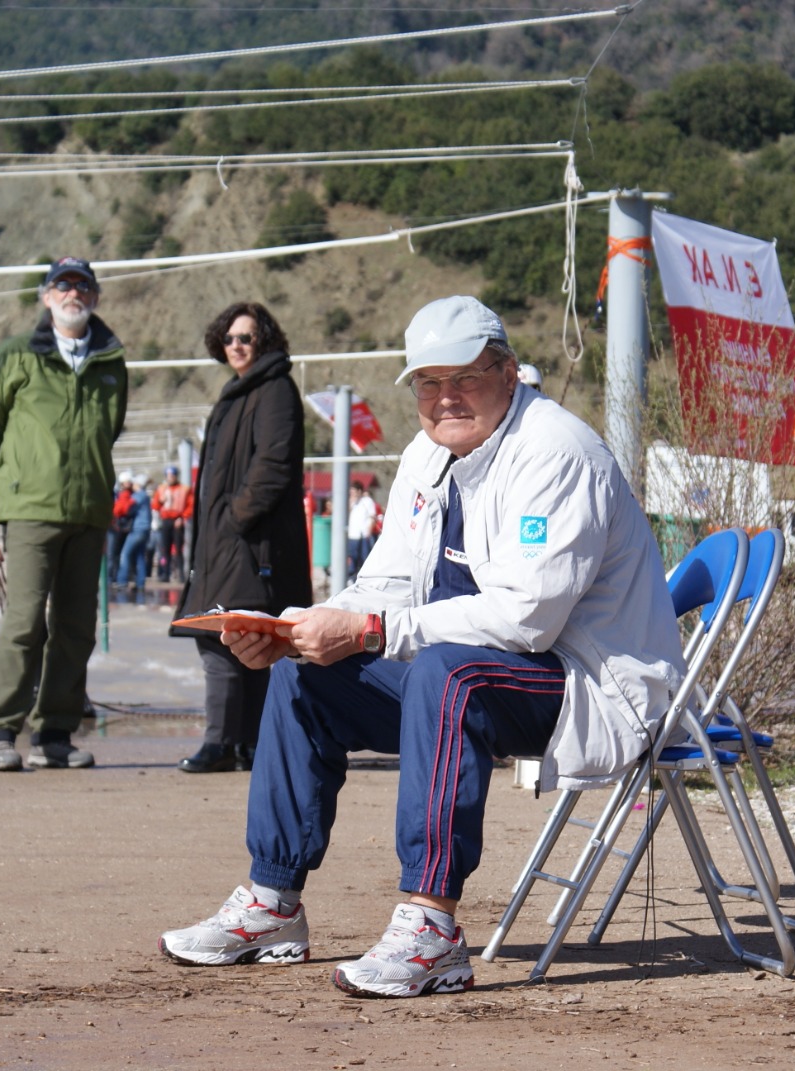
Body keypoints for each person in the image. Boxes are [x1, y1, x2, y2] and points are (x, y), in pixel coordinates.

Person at [158, 295, 684, 998]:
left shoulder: (558, 452)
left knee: (445, 669)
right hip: (477, 676)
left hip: (591, 683)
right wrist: (294, 627)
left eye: (464, 377)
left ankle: (432, 928)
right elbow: (385, 581)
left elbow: (528, 620)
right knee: (306, 674)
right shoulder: (426, 454)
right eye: (428, 383)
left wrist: (373, 631)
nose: (446, 398)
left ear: (506, 371)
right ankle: (271, 903)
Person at [0, 256, 127, 772]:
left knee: (77, 626)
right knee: (24, 621)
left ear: (95, 297)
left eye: (82, 285)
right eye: (63, 285)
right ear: (46, 296)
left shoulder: (111, 361)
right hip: (30, 511)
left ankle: (54, 734)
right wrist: (13, 484)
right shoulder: (15, 356)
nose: (72, 293)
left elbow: (111, 428)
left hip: (90, 508)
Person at [171, 302, 312, 774]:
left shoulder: (274, 390)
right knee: (242, 634)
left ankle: (222, 742)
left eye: (247, 337)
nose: (237, 345)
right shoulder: (238, 391)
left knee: (224, 635)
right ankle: (245, 743)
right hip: (226, 540)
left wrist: (234, 519)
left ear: (264, 340)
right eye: (230, 338)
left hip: (251, 542)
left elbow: (273, 465)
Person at [152, 465, 193, 582]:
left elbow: (190, 505)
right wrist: (161, 501)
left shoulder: (184, 489)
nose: (170, 478)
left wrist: (182, 518)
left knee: (179, 549)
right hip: (166, 521)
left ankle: (181, 574)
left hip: (178, 521)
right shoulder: (161, 489)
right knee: (165, 549)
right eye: (168, 476)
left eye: (172, 476)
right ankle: (165, 574)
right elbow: (155, 505)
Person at [116, 474, 153, 593]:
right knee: (139, 556)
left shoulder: (138, 496)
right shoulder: (144, 496)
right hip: (144, 529)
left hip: (138, 529)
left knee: (125, 554)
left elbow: (126, 508)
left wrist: (124, 495)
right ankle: (140, 583)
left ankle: (122, 581)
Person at [345, 479, 378, 578]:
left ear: (359, 491)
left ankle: (364, 577)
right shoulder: (351, 502)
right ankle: (352, 576)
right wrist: (351, 502)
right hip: (353, 535)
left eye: (354, 492)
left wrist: (369, 530)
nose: (352, 494)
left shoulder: (367, 501)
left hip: (364, 534)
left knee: (364, 557)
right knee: (352, 557)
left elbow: (373, 516)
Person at [106, 470, 134, 580]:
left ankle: (115, 576)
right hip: (114, 527)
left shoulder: (126, 495)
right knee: (112, 554)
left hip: (120, 527)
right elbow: (117, 510)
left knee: (116, 553)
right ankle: (110, 577)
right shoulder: (119, 495)